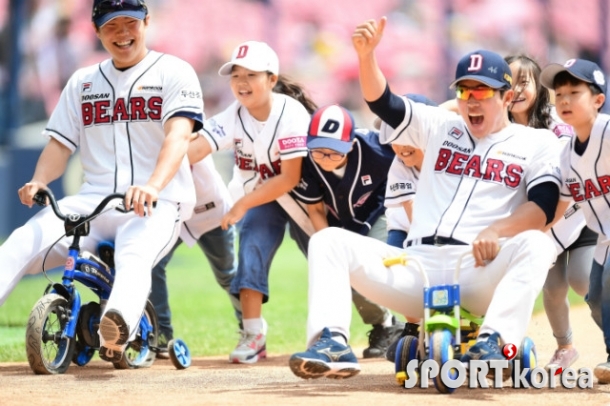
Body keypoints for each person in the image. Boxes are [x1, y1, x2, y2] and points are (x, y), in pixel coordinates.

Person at [288, 17, 562, 380]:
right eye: (464, 92)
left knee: (537, 244)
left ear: (507, 96)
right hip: (416, 266)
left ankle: (493, 341)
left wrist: (499, 229)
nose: (471, 101)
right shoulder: (439, 125)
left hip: (478, 270)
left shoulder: (538, 143)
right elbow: (383, 102)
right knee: (327, 241)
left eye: (482, 92)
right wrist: (367, 57)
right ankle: (332, 342)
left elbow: (542, 207)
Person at [0, 0, 204, 364]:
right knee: (21, 241)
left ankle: (117, 325)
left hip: (156, 202)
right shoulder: (82, 81)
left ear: (147, 22)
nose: (122, 33)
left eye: (130, 22)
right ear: (96, 31)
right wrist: (39, 180)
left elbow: (178, 137)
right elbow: (60, 145)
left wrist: (154, 185)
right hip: (92, 201)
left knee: (134, 255)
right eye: (111, 25)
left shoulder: (175, 72)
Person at [188, 40, 317, 364]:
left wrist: (241, 204)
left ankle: (380, 321)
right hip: (262, 197)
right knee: (251, 249)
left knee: (330, 257)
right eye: (236, 75)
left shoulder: (291, 113)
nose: (241, 82)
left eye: (252, 75)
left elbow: (288, 179)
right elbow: (196, 148)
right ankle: (253, 334)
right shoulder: (234, 114)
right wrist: (166, 157)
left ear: (272, 79)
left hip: (306, 197)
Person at [506, 54, 596, 372]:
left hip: (575, 216)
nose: (516, 89)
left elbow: (568, 183)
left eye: (524, 82)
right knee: (553, 288)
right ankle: (565, 346)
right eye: (508, 82)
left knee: (583, 280)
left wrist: (544, 226)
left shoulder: (559, 126)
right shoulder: (498, 131)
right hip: (539, 226)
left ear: (538, 87)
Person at [292, 104, 404, 359]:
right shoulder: (307, 160)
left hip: (378, 213)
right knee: (345, 273)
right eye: (319, 150)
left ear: (351, 144)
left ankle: (403, 323)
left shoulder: (378, 152)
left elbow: (390, 185)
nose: (325, 158)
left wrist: (362, 228)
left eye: (335, 152)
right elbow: (316, 211)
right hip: (336, 219)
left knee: (375, 267)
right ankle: (384, 323)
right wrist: (331, 244)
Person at [539, 58, 610, 383]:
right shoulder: (566, 153)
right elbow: (561, 205)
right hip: (604, 239)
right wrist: (535, 232)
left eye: (574, 92)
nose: (564, 100)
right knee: (595, 295)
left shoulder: (608, 131)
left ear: (598, 99)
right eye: (559, 94)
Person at [149, 155, 241, 358]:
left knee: (227, 275)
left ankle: (250, 329)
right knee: (152, 263)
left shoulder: (189, 132)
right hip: (175, 216)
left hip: (211, 215)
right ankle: (161, 335)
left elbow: (188, 143)